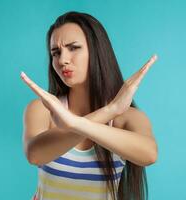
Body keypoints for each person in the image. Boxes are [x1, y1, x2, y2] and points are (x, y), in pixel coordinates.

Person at [21, 11, 158, 200]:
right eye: (56, 52)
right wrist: (110, 110)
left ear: (97, 51)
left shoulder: (128, 118)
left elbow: (149, 154)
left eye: (73, 48)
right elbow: (35, 155)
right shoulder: (42, 109)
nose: (62, 60)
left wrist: (78, 123)